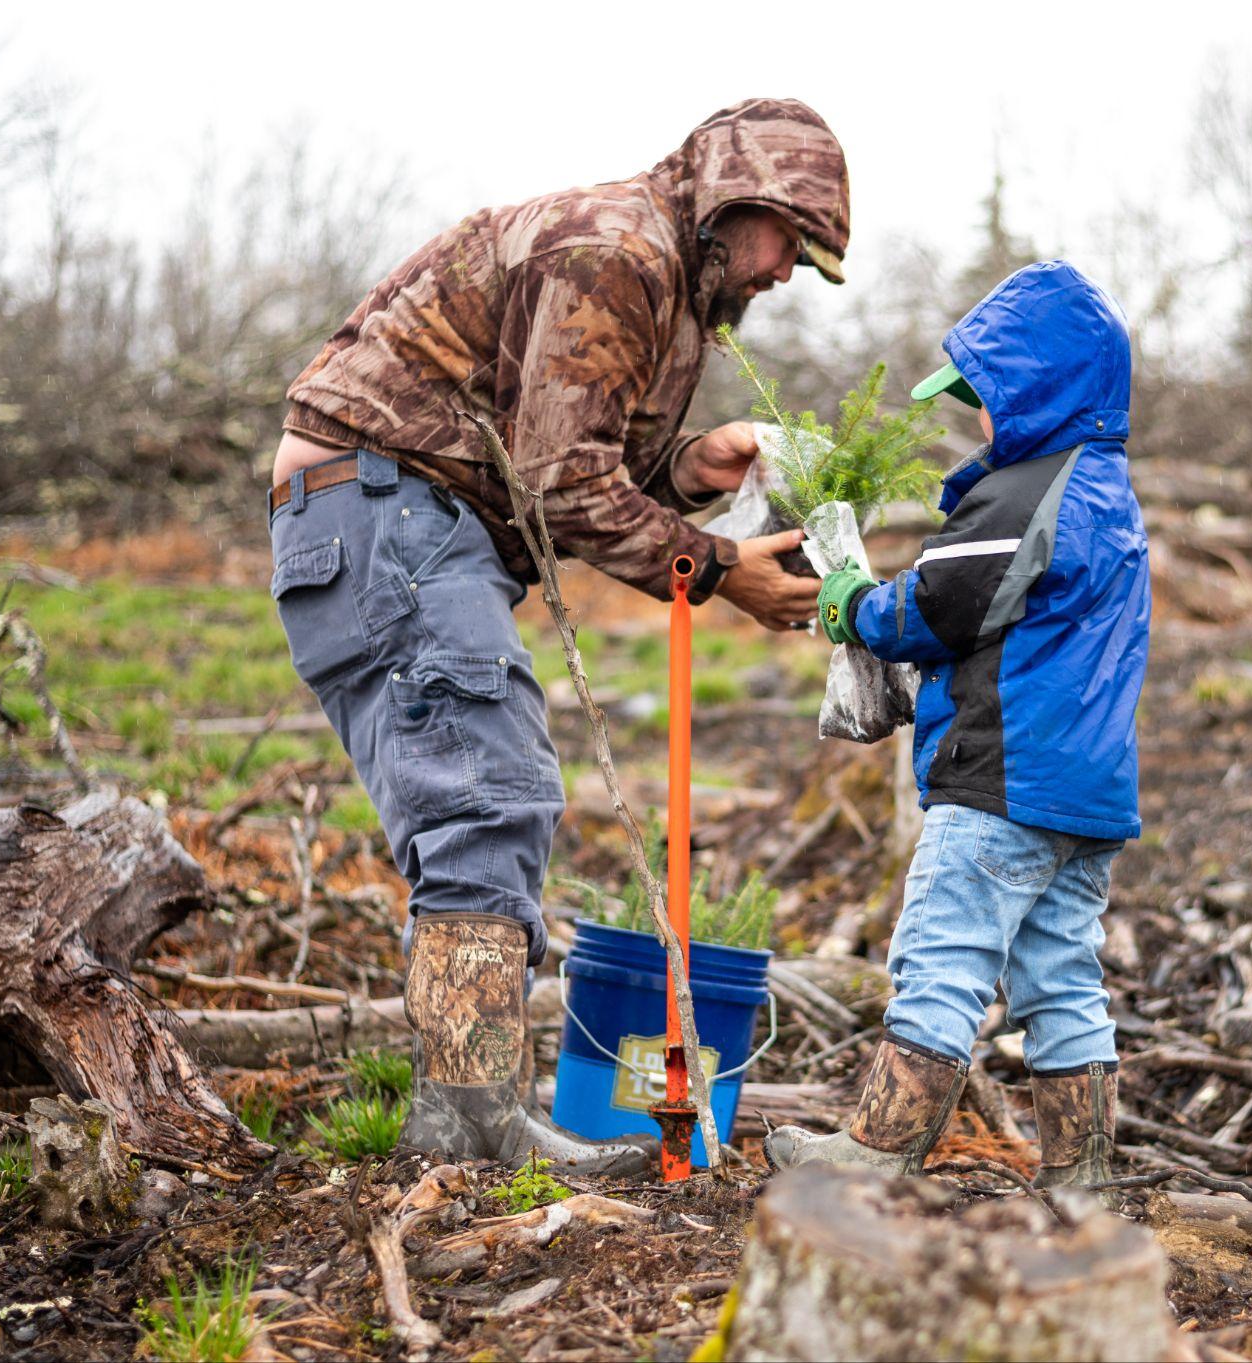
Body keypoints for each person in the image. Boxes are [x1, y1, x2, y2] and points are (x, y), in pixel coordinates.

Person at [265, 99, 843, 1173]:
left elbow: (561, 464)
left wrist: (690, 469)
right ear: (737, 199)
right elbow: (563, 485)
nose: (786, 272)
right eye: (787, 242)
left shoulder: (658, 276)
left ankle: (463, 1118)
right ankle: (473, 1129)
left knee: (481, 800)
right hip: (385, 513)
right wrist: (721, 572)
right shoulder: (614, 251)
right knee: (489, 794)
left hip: (387, 519)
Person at [765, 260, 1151, 1197]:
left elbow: (939, 606)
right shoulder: (1109, 492)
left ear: (1035, 391)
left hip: (999, 781)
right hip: (1086, 798)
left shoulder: (1026, 493)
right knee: (1061, 975)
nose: (980, 417)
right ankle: (1084, 1171)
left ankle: (876, 1150)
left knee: (939, 954)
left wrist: (852, 604)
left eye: (988, 395)